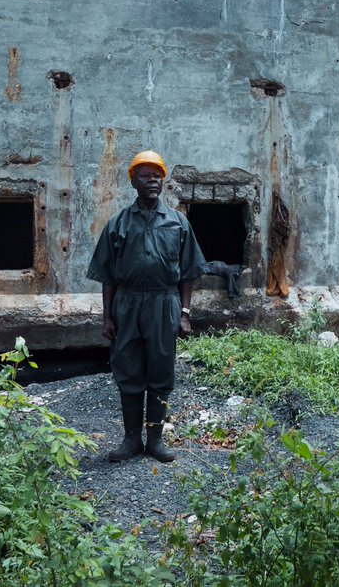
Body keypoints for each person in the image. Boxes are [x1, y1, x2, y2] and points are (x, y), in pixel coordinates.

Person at [86, 150, 207, 462]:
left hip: (164, 303)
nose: (153, 180)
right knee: (127, 370)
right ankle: (130, 440)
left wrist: (185, 312)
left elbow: (188, 272)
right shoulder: (118, 224)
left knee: (161, 370)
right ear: (134, 182)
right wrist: (107, 317)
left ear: (163, 181)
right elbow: (108, 275)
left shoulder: (178, 223)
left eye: (157, 175)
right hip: (127, 303)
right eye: (145, 175)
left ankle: (154, 440)